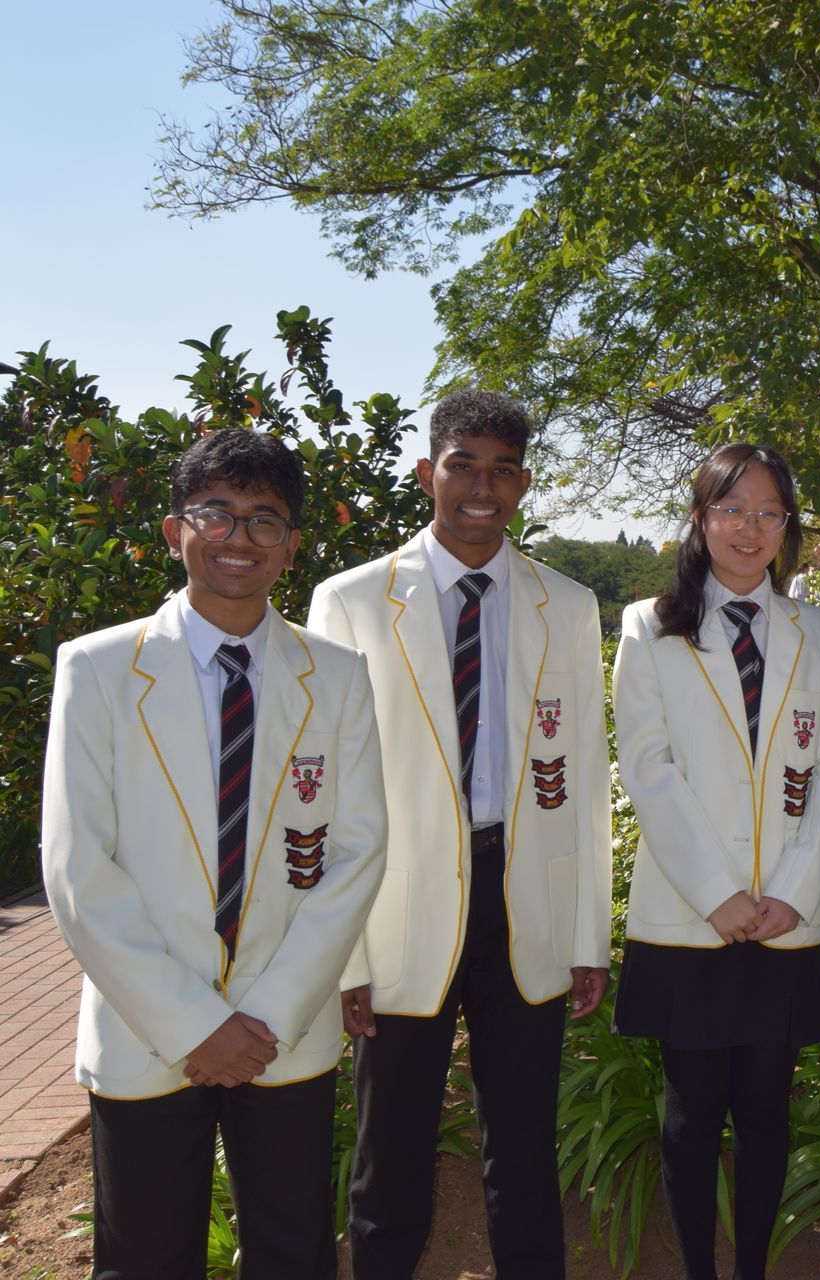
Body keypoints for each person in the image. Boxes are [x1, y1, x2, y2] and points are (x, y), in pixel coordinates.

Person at [42, 428, 387, 1280]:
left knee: (293, 1250)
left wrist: (262, 1017)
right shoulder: (98, 669)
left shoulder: (337, 674)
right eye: (216, 514)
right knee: (146, 1257)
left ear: (292, 545)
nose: (240, 538)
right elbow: (78, 867)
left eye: (265, 519)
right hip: (147, 1029)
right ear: (175, 531)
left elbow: (358, 851)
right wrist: (196, 1024)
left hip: (283, 1029)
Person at [308, 389, 613, 1280]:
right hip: (398, 907)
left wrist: (587, 936)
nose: (483, 487)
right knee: (390, 1140)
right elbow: (322, 791)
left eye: (503, 470)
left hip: (525, 903)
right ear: (426, 472)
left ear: (524, 483)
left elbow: (587, 780)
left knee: (523, 1136)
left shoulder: (567, 604)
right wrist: (344, 957)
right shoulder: (352, 602)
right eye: (463, 465)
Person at [610, 442, 820, 1280]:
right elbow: (648, 768)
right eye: (732, 509)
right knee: (690, 1116)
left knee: (766, 1115)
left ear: (788, 525)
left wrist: (791, 889)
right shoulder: (649, 626)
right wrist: (718, 893)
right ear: (700, 517)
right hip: (690, 917)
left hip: (785, 917)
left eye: (768, 513)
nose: (750, 529)